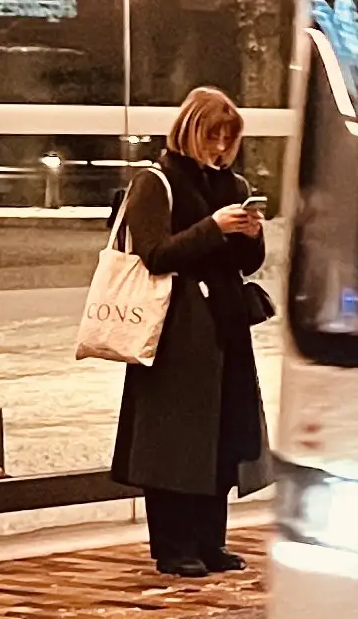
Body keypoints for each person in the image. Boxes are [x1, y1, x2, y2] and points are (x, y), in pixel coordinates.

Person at [112, 86, 273, 576]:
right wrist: (213, 227)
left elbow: (245, 264)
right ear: (190, 130)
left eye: (228, 137)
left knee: (224, 432)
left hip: (223, 323)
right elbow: (154, 253)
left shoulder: (233, 185)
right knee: (175, 440)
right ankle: (173, 545)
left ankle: (210, 540)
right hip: (176, 327)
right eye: (213, 135)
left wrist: (250, 235)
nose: (220, 146)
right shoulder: (156, 182)